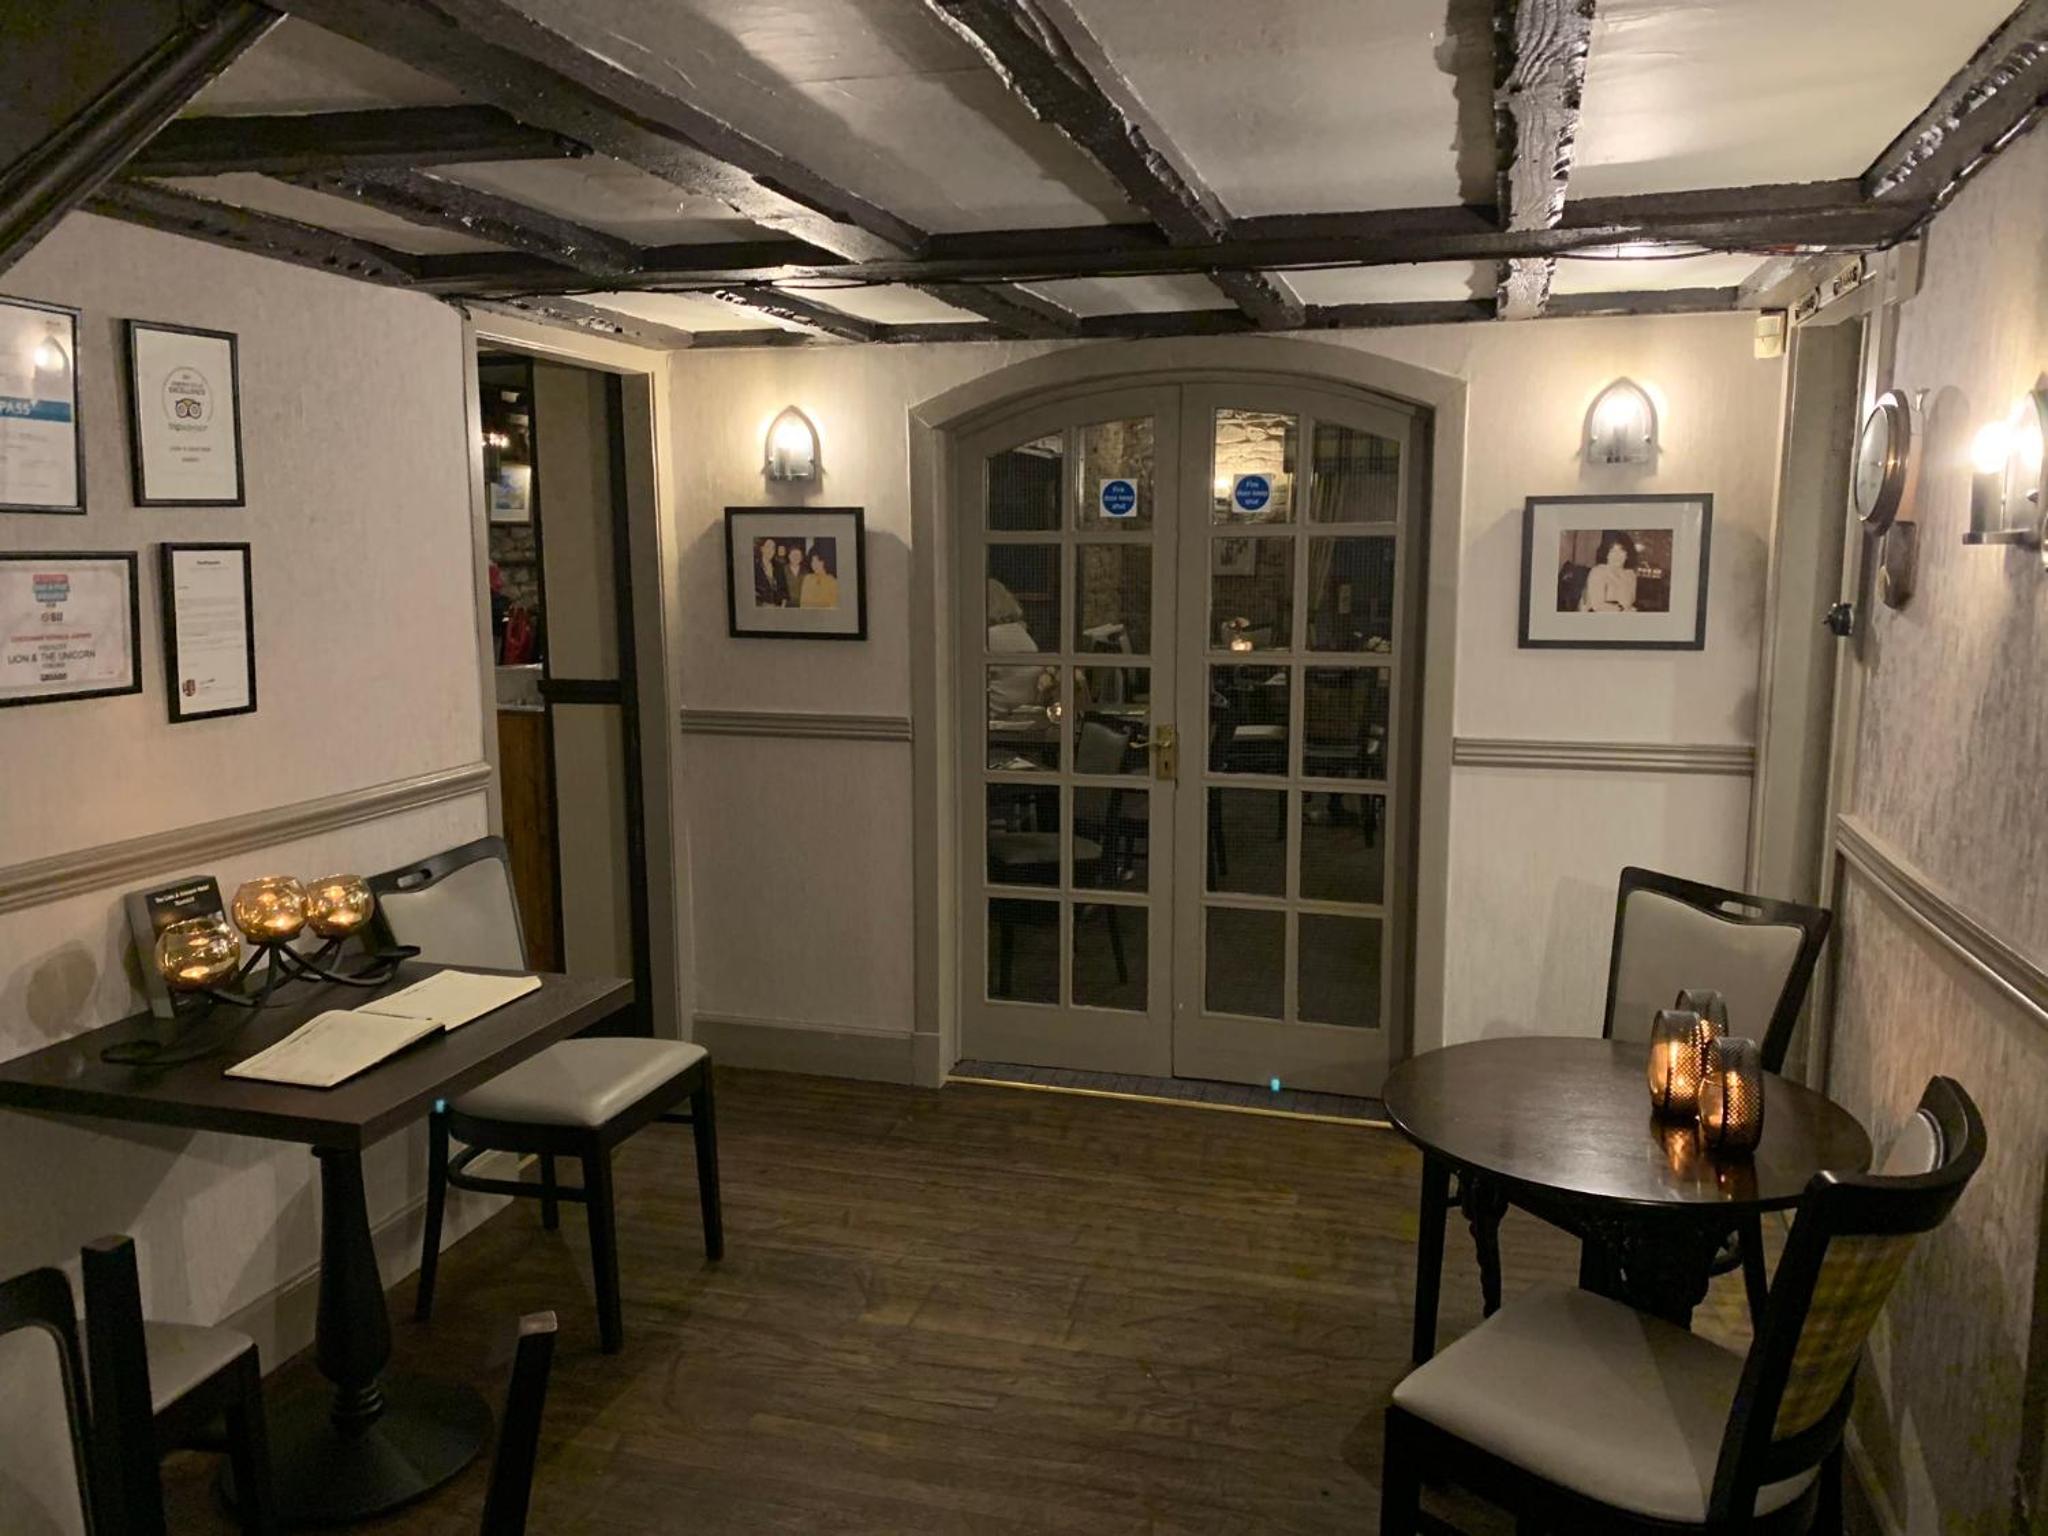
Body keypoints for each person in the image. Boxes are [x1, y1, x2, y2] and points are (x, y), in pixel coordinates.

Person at [1579, 530, 1639, 612]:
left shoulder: (1630, 575)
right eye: (1612, 551)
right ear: (1606, 554)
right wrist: (1622, 610)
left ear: (1627, 554)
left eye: (1621, 551)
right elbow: (1597, 605)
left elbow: (1629, 603)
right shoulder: (1598, 572)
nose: (1617, 555)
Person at [800, 542, 839, 608]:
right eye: (812, 561)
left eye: (818, 561)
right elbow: (803, 605)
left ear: (825, 561)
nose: (815, 564)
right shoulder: (807, 579)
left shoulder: (832, 582)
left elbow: (833, 607)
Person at [754, 539, 782, 607]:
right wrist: (762, 604)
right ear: (762, 549)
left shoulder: (778, 567)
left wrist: (782, 605)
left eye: (773, 548)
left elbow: (783, 589)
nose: (770, 550)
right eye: (768, 547)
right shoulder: (755, 567)